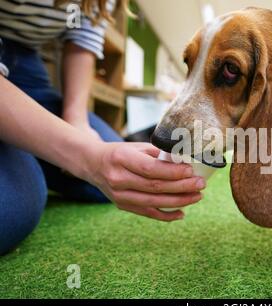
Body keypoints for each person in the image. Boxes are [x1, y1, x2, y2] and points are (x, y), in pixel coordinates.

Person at [0, 0, 205, 256]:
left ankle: (25, 144)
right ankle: (25, 148)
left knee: (118, 180)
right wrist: (86, 157)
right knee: (15, 209)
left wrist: (78, 124)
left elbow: (82, 38)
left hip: (26, 64)